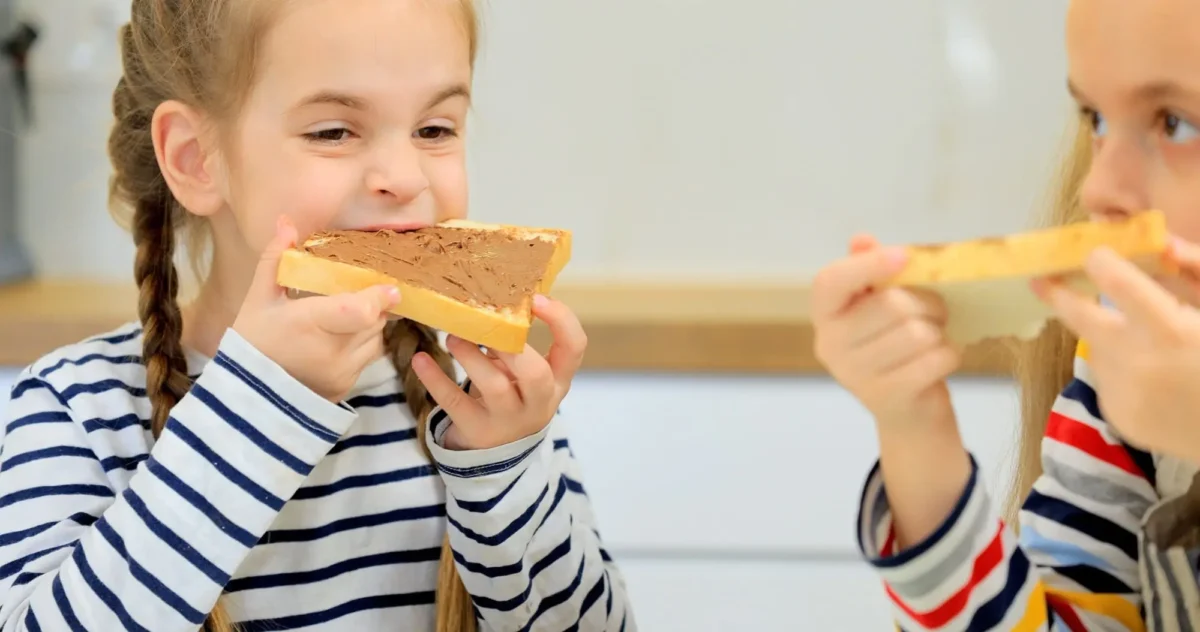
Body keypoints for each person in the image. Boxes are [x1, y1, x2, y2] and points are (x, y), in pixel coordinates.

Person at [0, 1, 633, 630]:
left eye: (435, 129)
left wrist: (502, 471)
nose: (405, 177)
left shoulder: (480, 405)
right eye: (333, 132)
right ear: (196, 159)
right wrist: (259, 410)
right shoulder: (76, 410)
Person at [811, 0, 1200, 628]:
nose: (1097, 188)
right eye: (1097, 118)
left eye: (1176, 124)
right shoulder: (1120, 367)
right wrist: (917, 433)